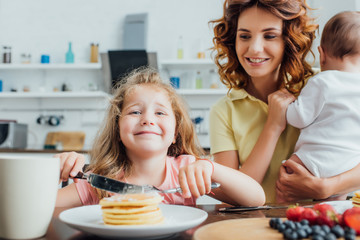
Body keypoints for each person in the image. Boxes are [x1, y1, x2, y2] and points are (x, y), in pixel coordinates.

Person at [56, 67, 265, 208]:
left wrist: (211, 168)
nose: (147, 119)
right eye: (135, 112)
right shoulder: (101, 181)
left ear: (175, 133)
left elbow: (256, 198)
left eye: (160, 113)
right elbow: (38, 205)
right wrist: (52, 172)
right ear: (118, 129)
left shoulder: (186, 171)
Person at [209, 0, 318, 203]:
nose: (255, 48)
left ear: (289, 40)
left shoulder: (319, 88)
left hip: (317, 223)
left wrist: (325, 187)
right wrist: (273, 126)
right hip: (256, 225)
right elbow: (232, 195)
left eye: (269, 36)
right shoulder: (224, 111)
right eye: (244, 36)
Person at [279, 11, 360, 201]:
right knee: (334, 205)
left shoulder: (322, 81)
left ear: (321, 55)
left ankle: (281, 215)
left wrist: (289, 105)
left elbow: (298, 118)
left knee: (285, 181)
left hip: (314, 158)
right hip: (349, 164)